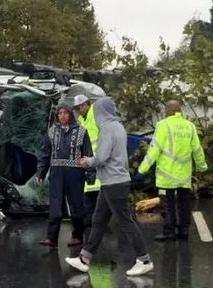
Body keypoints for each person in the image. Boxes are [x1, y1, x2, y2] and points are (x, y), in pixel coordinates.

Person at [66, 97, 153, 277]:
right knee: (98, 220)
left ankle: (144, 260)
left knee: (125, 222)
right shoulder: (118, 127)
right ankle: (84, 258)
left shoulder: (106, 129)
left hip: (114, 182)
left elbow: (102, 156)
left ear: (101, 112)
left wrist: (86, 162)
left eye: (97, 111)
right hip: (111, 182)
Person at [138, 100, 208, 242]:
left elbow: (155, 149)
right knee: (184, 202)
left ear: (167, 111)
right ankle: (184, 231)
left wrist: (143, 168)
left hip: (167, 175)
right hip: (184, 175)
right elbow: (197, 149)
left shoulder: (163, 125)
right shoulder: (189, 126)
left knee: (167, 203)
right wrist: (202, 166)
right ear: (179, 111)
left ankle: (169, 232)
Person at [35, 102, 95, 248]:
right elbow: (45, 154)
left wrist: (91, 175)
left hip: (75, 174)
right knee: (55, 206)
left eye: (65, 113)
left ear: (70, 114)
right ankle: (51, 238)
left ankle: (77, 236)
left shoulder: (81, 131)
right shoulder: (52, 131)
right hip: (57, 174)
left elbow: (88, 154)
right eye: (60, 113)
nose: (62, 116)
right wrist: (40, 172)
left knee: (76, 206)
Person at [72, 94, 101, 233]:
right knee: (90, 193)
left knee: (95, 193)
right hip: (88, 162)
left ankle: (93, 223)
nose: (77, 111)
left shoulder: (95, 116)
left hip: (98, 161)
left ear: (85, 105)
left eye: (78, 108)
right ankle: (90, 222)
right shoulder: (82, 120)